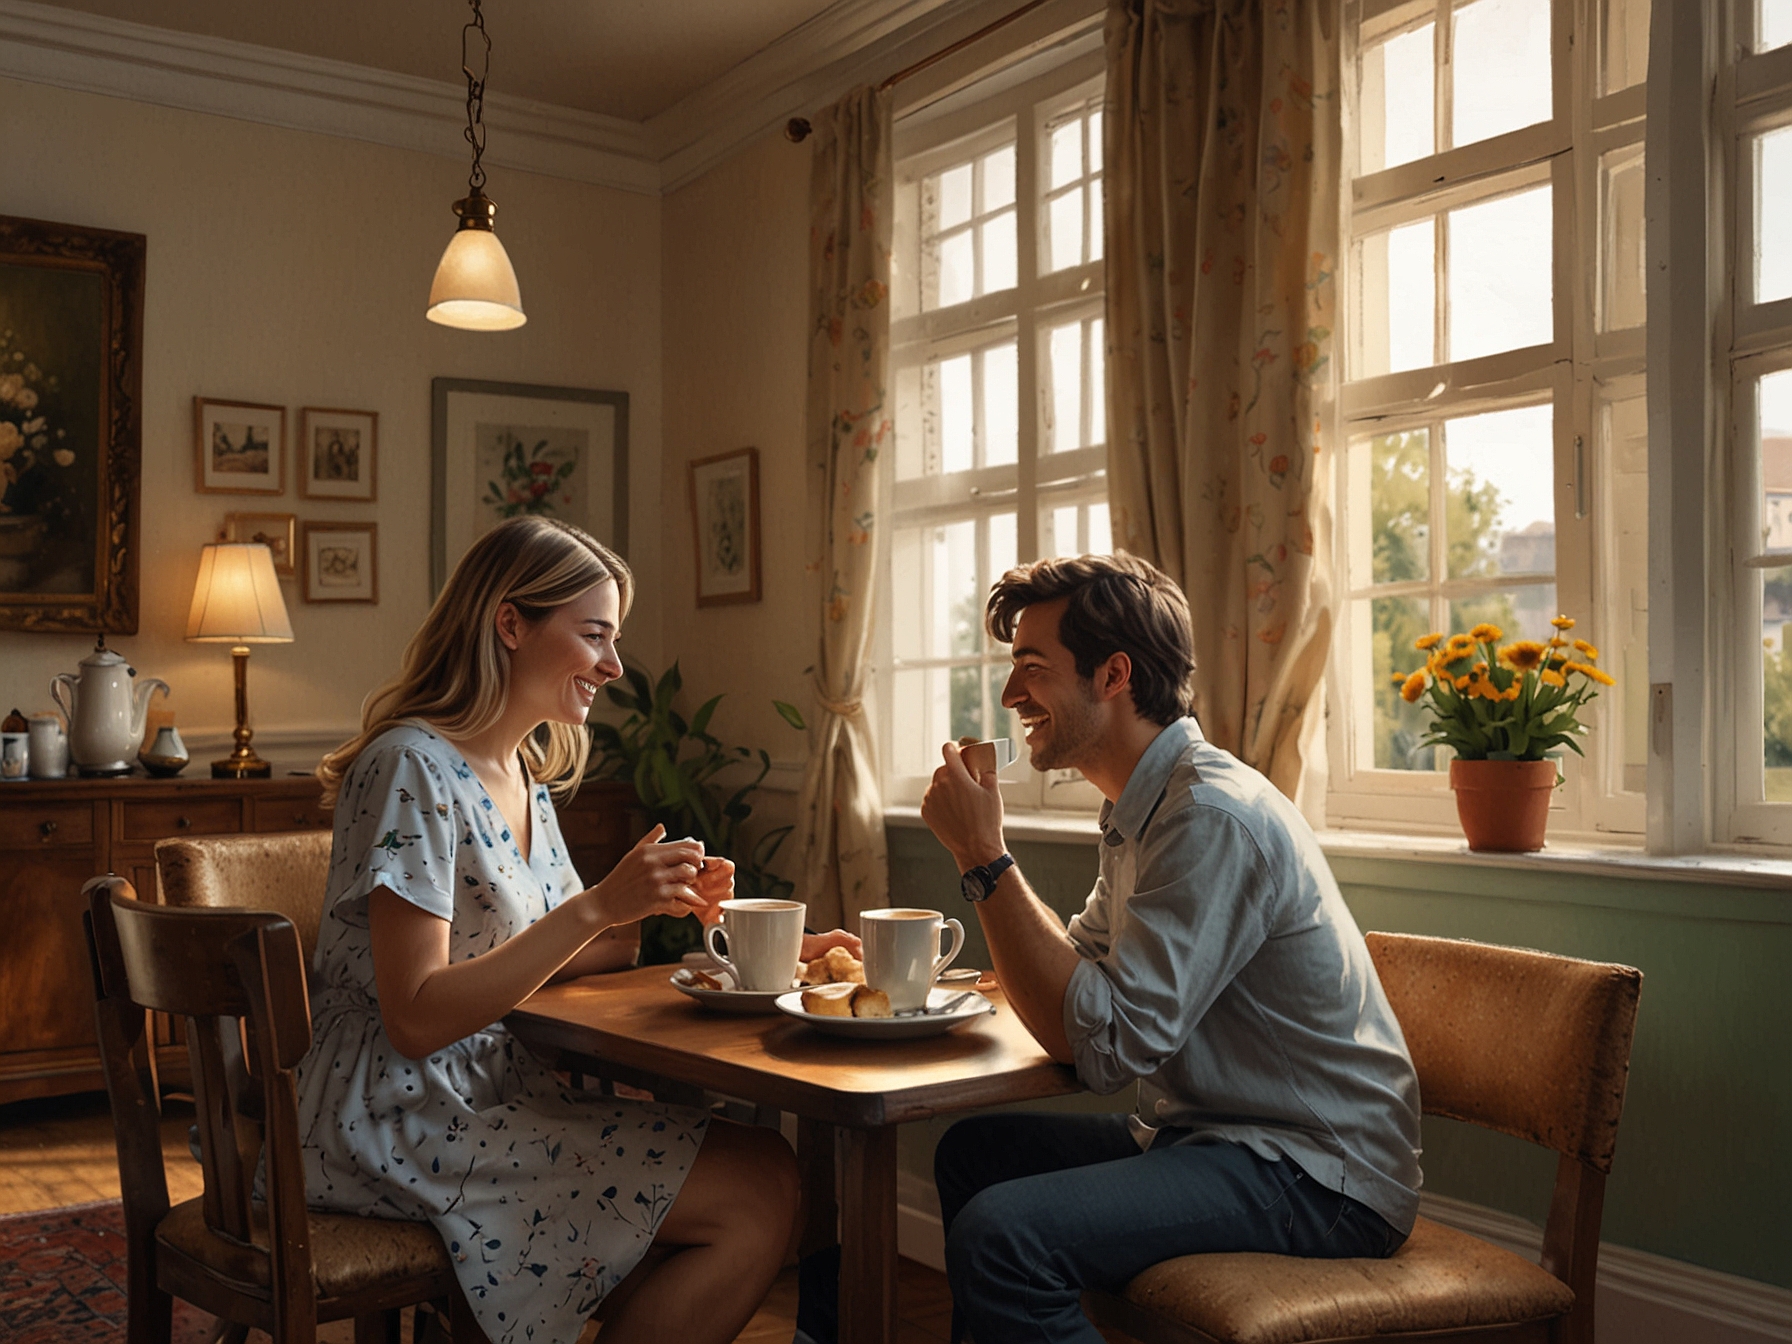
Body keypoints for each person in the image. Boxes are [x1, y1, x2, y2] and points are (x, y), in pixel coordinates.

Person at [304, 515, 855, 1344]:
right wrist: (600, 903)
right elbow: (414, 1016)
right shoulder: (410, 765)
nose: (614, 664)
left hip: (487, 1091)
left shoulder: (524, 775)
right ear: (510, 624)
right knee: (754, 1191)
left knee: (767, 1172)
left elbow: (590, 951)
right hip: (391, 1115)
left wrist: (693, 917)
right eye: (594, 633)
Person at [917, 552, 1423, 1344]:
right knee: (975, 1154)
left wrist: (985, 861)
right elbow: (1074, 973)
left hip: (1317, 1173)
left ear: (1112, 674)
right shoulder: (1141, 805)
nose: (1012, 695)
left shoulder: (1209, 816)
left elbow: (1108, 1047)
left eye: (1033, 668)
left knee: (1002, 1236)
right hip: (1212, 1134)